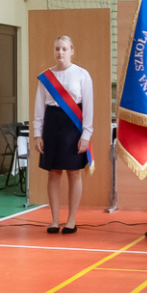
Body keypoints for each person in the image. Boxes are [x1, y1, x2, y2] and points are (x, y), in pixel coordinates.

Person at [32, 36, 93, 234]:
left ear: (72, 51)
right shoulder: (46, 77)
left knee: (73, 172)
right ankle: (55, 220)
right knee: (53, 172)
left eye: (64, 49)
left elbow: (89, 107)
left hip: (72, 125)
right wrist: (37, 134)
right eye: (57, 48)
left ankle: (71, 220)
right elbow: (39, 107)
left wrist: (86, 134)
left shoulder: (82, 75)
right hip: (51, 124)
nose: (60, 52)